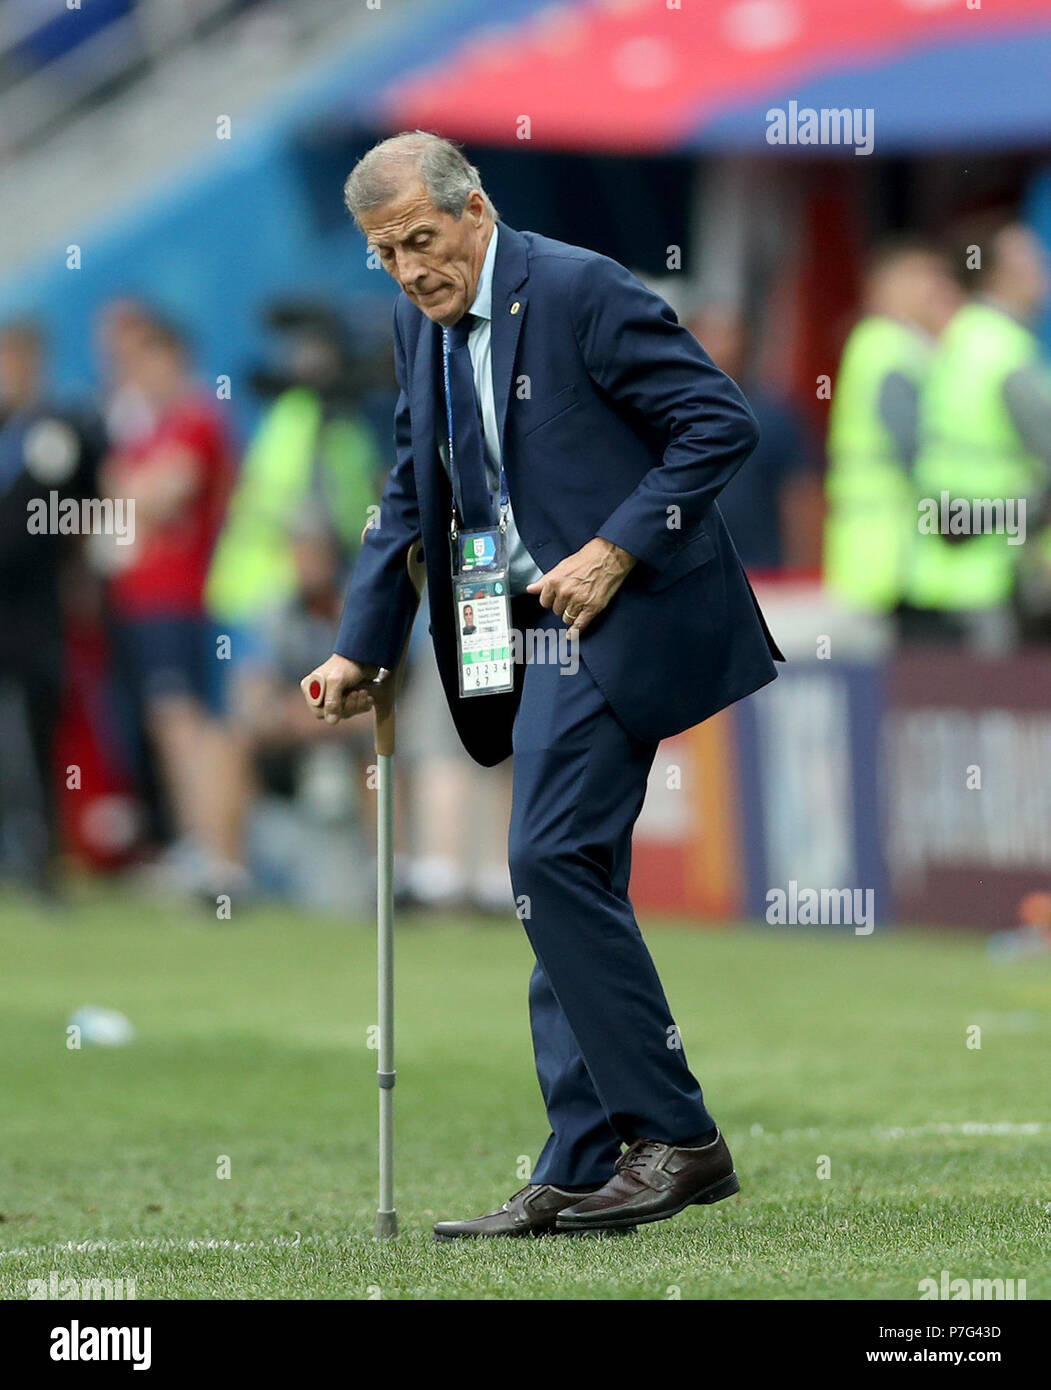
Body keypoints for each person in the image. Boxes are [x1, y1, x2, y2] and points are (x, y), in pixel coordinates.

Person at [301, 132, 782, 1238]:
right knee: (559, 882)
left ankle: (678, 1139)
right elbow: (408, 489)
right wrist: (358, 645)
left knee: (545, 856)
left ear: (476, 208)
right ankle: (578, 1157)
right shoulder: (413, 326)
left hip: (610, 616)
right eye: (386, 254)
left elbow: (720, 422)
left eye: (422, 240)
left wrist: (617, 549)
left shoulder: (578, 287)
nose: (411, 269)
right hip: (494, 622)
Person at [102, 318, 249, 898]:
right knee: (170, 725)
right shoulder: (147, 430)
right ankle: (198, 843)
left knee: (188, 724)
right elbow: (114, 497)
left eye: (144, 362)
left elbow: (160, 493)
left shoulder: (194, 419)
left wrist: (128, 492)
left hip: (184, 597)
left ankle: (216, 851)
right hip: (143, 600)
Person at [905, 219, 1051, 649]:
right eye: (1033, 259)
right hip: (995, 570)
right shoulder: (1005, 351)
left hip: (945, 559)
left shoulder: (960, 336)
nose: (1043, 267)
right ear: (999, 274)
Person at [0, 321, 101, 896]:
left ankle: (42, 860)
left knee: (36, 732)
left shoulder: (59, 429)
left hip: (34, 605)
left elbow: (80, 509)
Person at [823, 239, 961, 615]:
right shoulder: (892, 349)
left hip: (869, 549)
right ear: (891, 287)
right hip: (893, 552)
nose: (939, 290)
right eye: (927, 279)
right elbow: (912, 448)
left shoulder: (872, 343)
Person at [686, 303, 816, 572]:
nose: (717, 347)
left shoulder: (773, 415)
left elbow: (802, 497)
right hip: (686, 576)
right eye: (706, 335)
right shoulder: (658, 414)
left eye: (727, 336)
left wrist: (805, 575)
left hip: (761, 576)